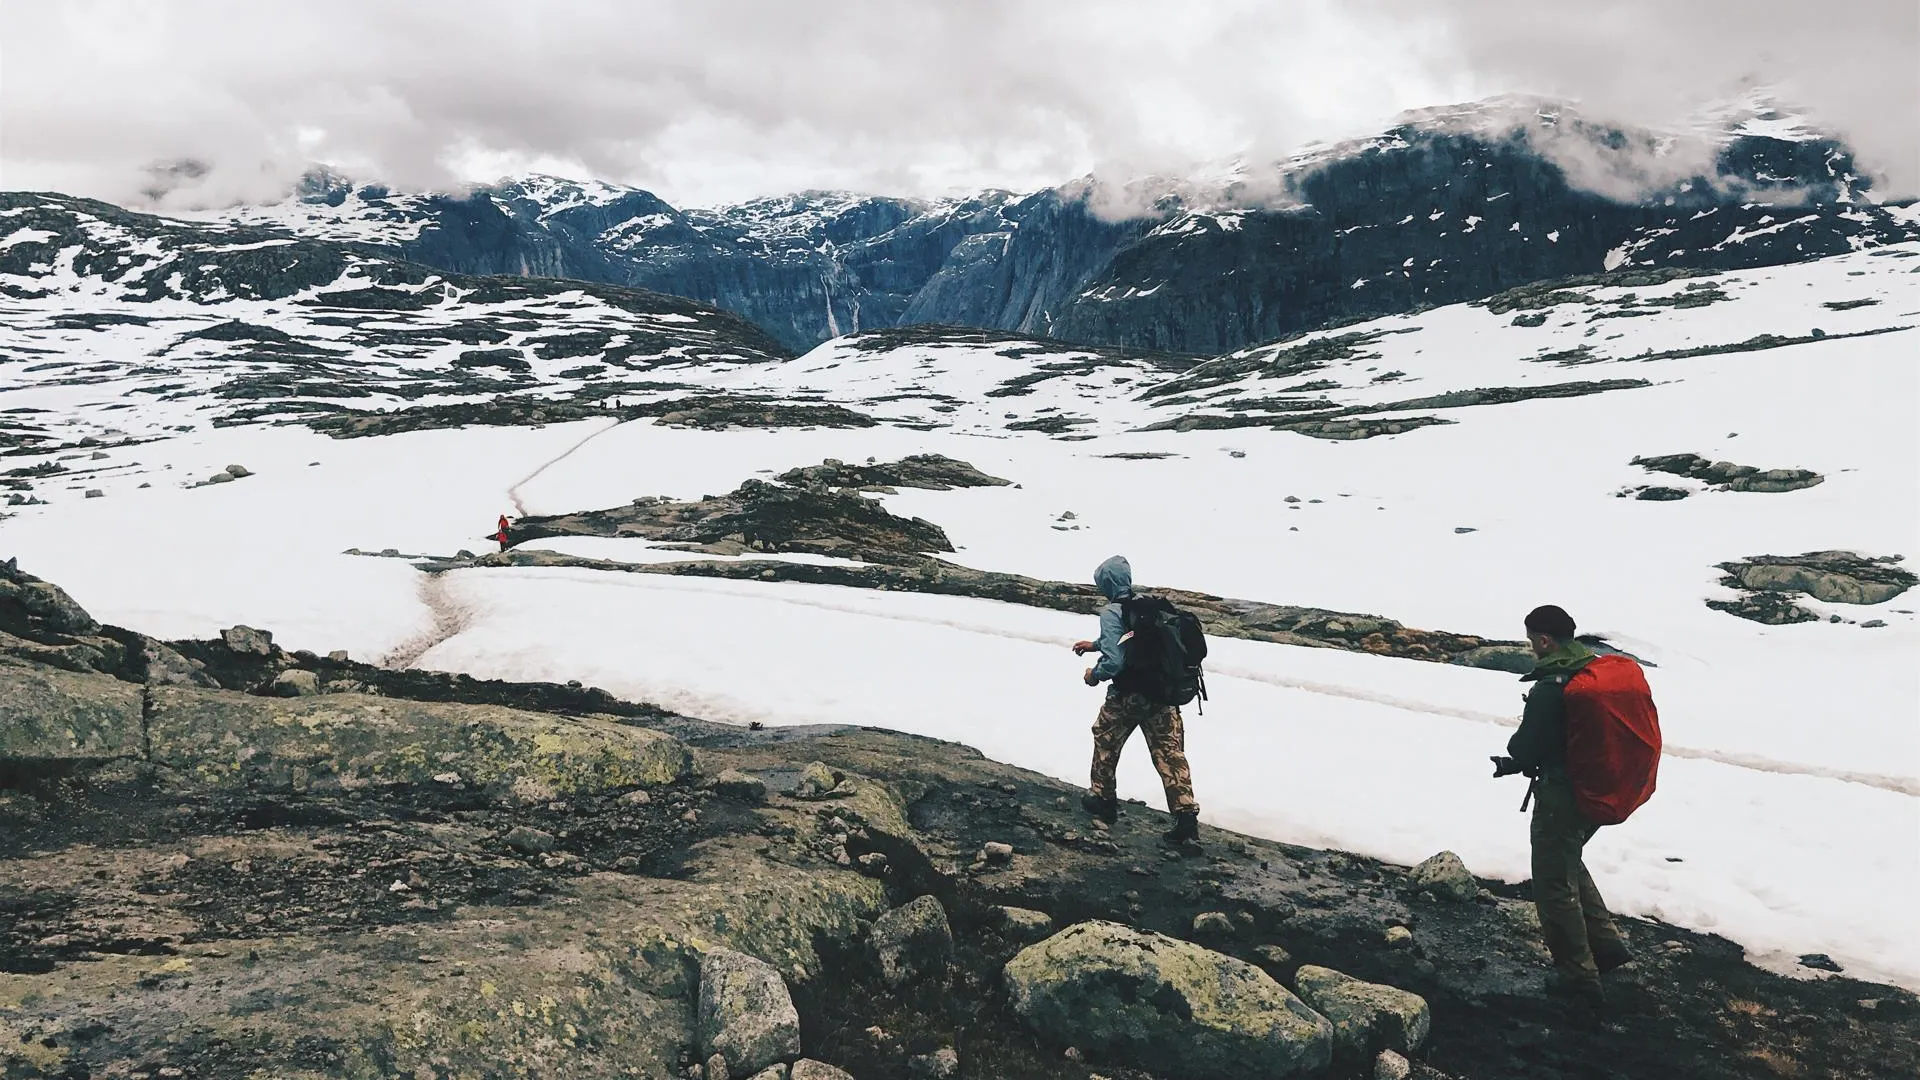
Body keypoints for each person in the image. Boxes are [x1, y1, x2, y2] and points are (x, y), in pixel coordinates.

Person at [1492, 604, 1633, 1007]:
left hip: (1563, 795)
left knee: (1553, 884)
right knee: (1567, 860)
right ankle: (1606, 949)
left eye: (1531, 639)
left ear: (1544, 640)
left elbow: (1525, 745)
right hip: (1595, 791)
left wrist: (1516, 755)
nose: (1530, 646)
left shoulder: (1551, 685)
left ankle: (1578, 978)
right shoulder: (1593, 669)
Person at [1071, 555, 1201, 847]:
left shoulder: (1112, 611)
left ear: (1106, 583)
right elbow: (1130, 638)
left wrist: (1095, 674)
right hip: (1163, 694)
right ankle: (1186, 820)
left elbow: (1116, 659)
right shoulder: (1147, 606)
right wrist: (1095, 645)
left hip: (1129, 694)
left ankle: (1103, 799)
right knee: (1169, 753)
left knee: (1105, 737)